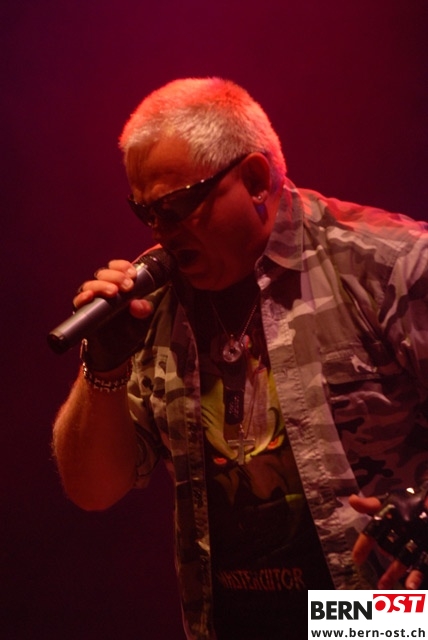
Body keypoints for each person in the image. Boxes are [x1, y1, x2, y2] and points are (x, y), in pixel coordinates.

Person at [52, 77, 428, 640]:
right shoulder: (156, 303)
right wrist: (102, 368)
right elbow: (91, 490)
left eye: (175, 207)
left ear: (254, 179)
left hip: (376, 621)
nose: (160, 232)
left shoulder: (386, 263)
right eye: (144, 212)